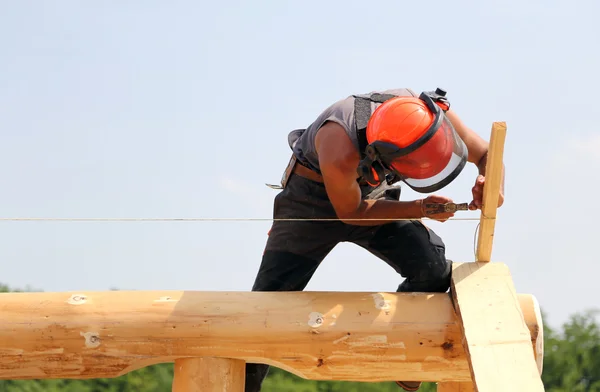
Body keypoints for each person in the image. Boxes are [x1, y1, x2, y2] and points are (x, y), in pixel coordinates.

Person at [245, 87, 505, 392]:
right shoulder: (337, 143)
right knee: (267, 306)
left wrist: (491, 185)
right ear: (380, 154)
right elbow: (352, 212)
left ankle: (409, 354)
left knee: (432, 265)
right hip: (310, 200)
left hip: (368, 193)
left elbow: (488, 153)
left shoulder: (425, 114)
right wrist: (420, 207)